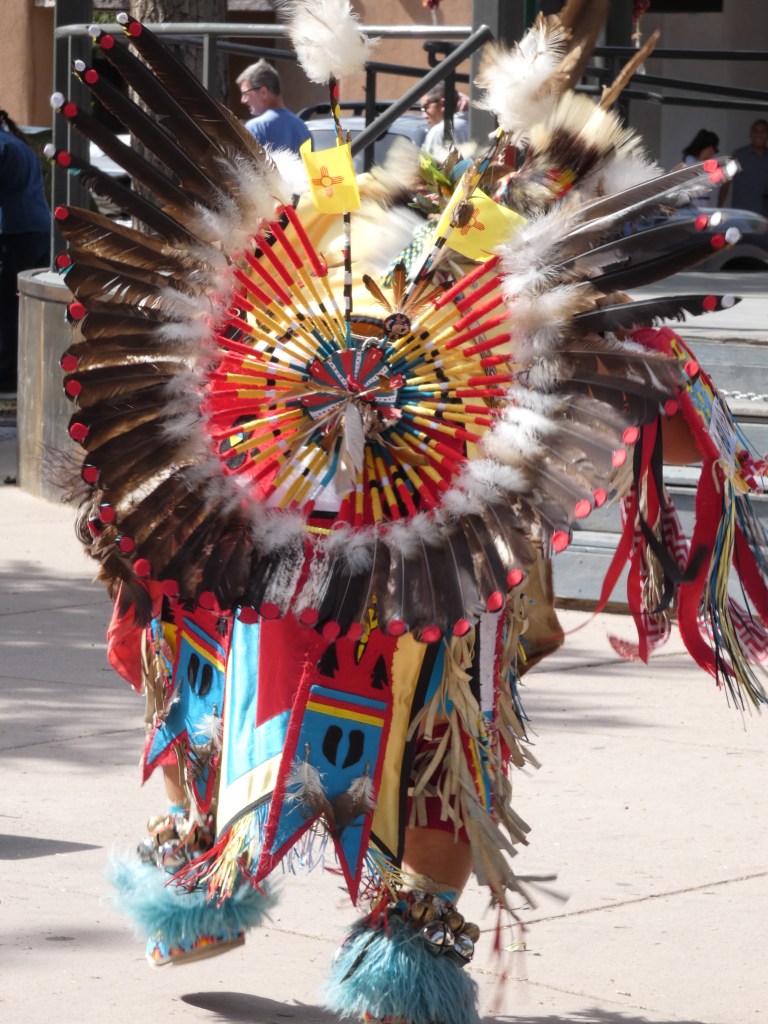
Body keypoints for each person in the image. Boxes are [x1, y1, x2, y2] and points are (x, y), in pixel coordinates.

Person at [52, 8, 768, 1024]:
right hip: (297, 543)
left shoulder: (484, 303)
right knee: (232, 680)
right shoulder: (333, 266)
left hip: (409, 568)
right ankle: (250, 894)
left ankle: (357, 937)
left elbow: (650, 414)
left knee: (415, 738)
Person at [0, 109, 51, 394]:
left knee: (8, 305)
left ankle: (8, 372)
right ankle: (25, 365)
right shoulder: (18, 144)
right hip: (37, 230)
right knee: (27, 304)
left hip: (15, 230)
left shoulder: (3, 146)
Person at [236, 59, 311, 154]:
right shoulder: (302, 127)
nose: (243, 100)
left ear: (263, 92)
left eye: (245, 93)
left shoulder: (255, 128)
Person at [722, 118, 768, 215]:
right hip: (741, 214)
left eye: (763, 131)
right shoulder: (739, 155)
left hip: (763, 216)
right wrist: (720, 207)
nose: (759, 135)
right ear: (750, 134)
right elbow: (726, 184)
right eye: (756, 131)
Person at [420, 81, 470, 160]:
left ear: (443, 104)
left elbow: (426, 166)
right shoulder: (475, 124)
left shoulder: (439, 131)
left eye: (426, 107)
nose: (424, 115)